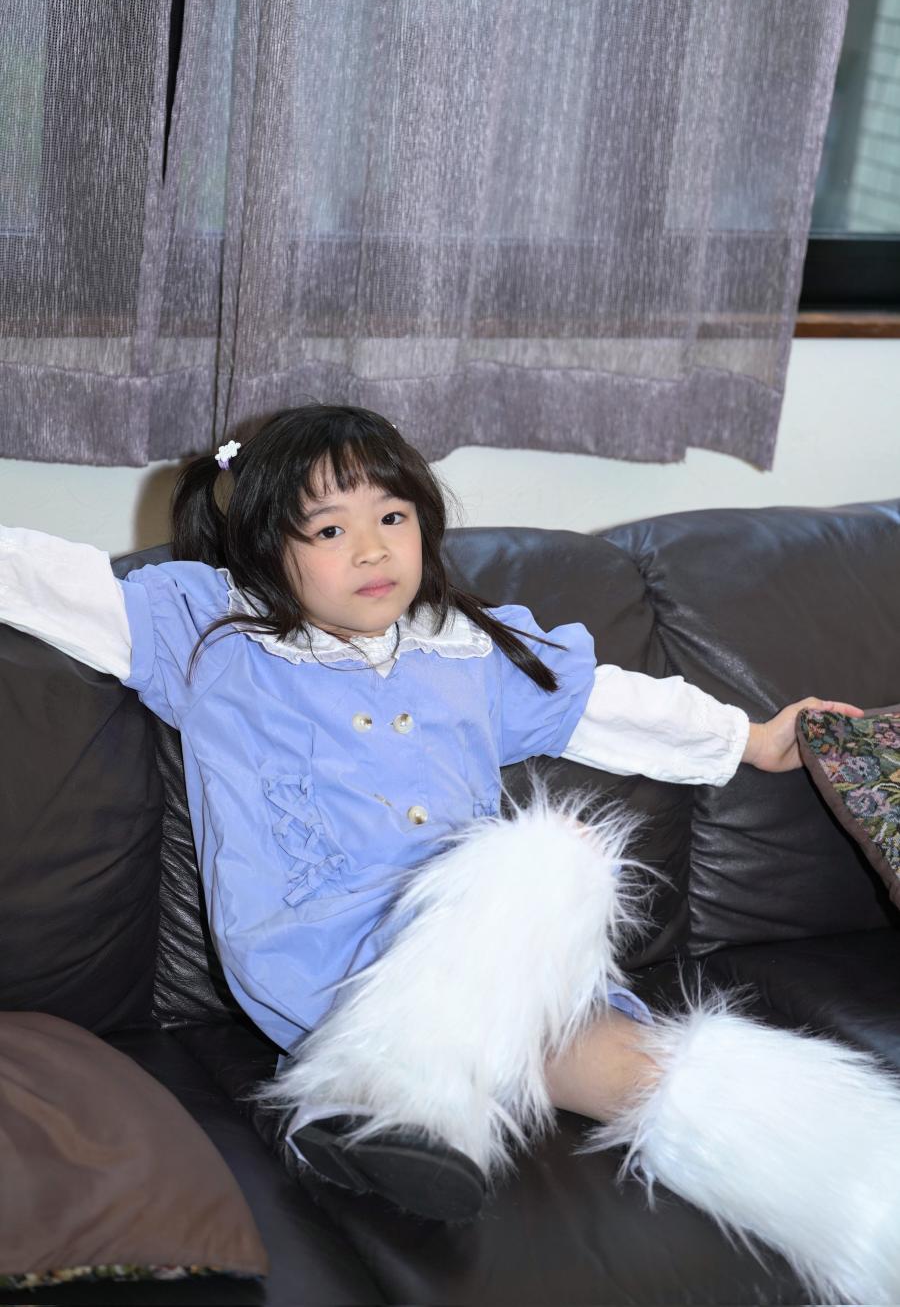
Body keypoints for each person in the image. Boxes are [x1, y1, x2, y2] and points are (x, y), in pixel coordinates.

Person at [2, 404, 899, 1305]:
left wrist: (750, 738)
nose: (372, 549)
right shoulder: (212, 635)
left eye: (392, 516)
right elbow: (52, 583)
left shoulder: (468, 645)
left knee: (648, 1065)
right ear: (266, 548)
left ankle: (867, 1198)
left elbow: (605, 704)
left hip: (494, 963)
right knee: (553, 857)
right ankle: (378, 1090)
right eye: (329, 529)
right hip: (324, 955)